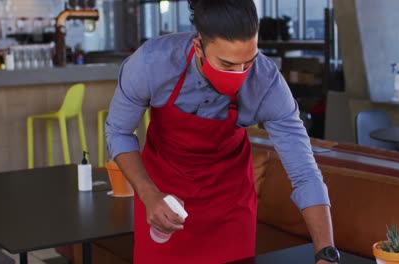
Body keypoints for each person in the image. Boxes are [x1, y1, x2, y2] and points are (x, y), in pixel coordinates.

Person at [105, 0, 339, 263]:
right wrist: (148, 194)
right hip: (162, 200)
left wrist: (325, 252)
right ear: (198, 47)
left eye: (248, 62)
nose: (240, 74)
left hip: (229, 206)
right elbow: (119, 133)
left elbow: (304, 172)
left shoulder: (266, 83)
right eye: (227, 65)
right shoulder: (152, 64)